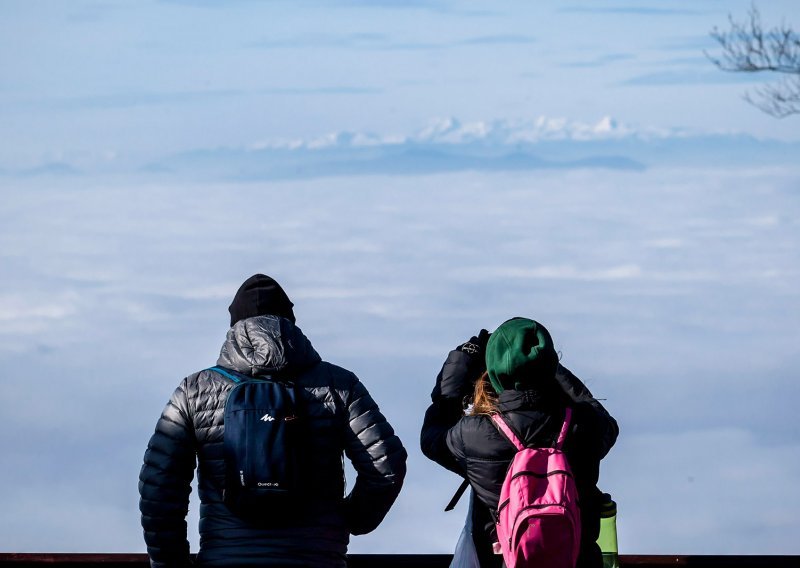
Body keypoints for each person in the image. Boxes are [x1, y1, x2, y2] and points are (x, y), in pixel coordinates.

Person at [139, 274, 407, 567]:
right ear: (290, 322)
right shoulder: (338, 385)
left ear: (234, 327)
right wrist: (353, 520)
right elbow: (386, 465)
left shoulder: (195, 390)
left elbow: (160, 488)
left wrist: (171, 564)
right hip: (317, 559)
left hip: (226, 559)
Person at [421, 317, 618, 567]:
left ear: (494, 372)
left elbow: (432, 435)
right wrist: (544, 363)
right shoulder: (585, 425)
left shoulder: (474, 434)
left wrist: (463, 359)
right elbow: (599, 414)